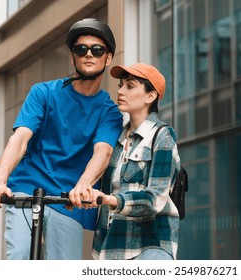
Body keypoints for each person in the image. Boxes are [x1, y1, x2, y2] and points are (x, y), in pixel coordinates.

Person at [0, 18, 123, 260]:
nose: (88, 55)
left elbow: (103, 152)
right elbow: (21, 138)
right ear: (72, 56)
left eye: (97, 50)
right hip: (27, 188)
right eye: (80, 49)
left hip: (69, 199)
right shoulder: (43, 92)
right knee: (20, 256)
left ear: (107, 58)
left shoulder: (109, 111)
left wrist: (84, 185)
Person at [90, 63, 181, 260]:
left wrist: (110, 200)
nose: (121, 91)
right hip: (110, 249)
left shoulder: (162, 136)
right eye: (120, 85)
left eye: (130, 86)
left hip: (150, 248)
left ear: (151, 96)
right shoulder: (116, 139)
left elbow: (155, 198)